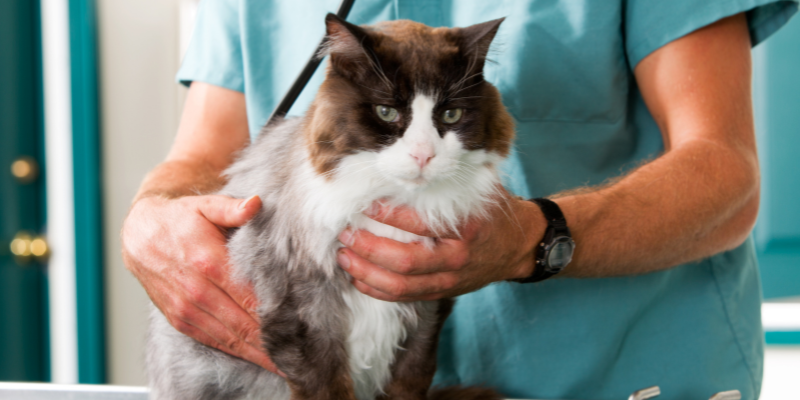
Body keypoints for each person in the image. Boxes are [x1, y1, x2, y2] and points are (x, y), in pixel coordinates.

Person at [121, 1, 798, 398]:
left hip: (614, 377)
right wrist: (149, 219)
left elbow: (725, 172)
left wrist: (535, 237)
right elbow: (203, 159)